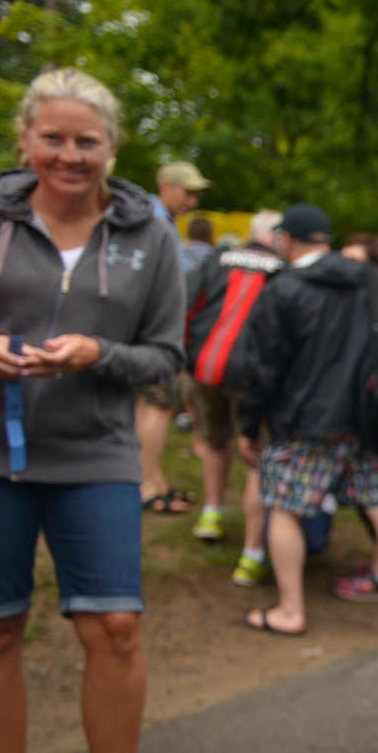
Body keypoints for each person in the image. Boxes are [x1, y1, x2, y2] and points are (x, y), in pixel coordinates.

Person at [0, 67, 203, 753]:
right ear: (25, 139)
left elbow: (168, 359)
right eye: (53, 138)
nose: (69, 155)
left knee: (115, 630)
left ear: (113, 147)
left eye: (86, 141)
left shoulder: (149, 237)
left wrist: (100, 355)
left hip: (96, 453)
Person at [229, 204, 378, 635]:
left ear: (286, 241)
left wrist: (248, 424)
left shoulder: (284, 288)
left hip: (303, 421)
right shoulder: (374, 280)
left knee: (286, 509)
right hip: (371, 417)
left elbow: (264, 367)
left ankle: (290, 611)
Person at [183, 209, 287, 550]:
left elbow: (186, 304)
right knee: (256, 455)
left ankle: (212, 510)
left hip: (204, 366)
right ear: (278, 237)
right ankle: (253, 552)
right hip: (253, 377)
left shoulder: (217, 259)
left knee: (214, 441)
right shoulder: (283, 271)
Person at [135, 160, 212, 515]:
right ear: (166, 186)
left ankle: (154, 478)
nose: (192, 201)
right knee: (158, 404)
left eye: (196, 193)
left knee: (158, 405)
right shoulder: (152, 220)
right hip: (153, 331)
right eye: (188, 191)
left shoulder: (159, 219)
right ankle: (146, 485)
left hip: (153, 328)